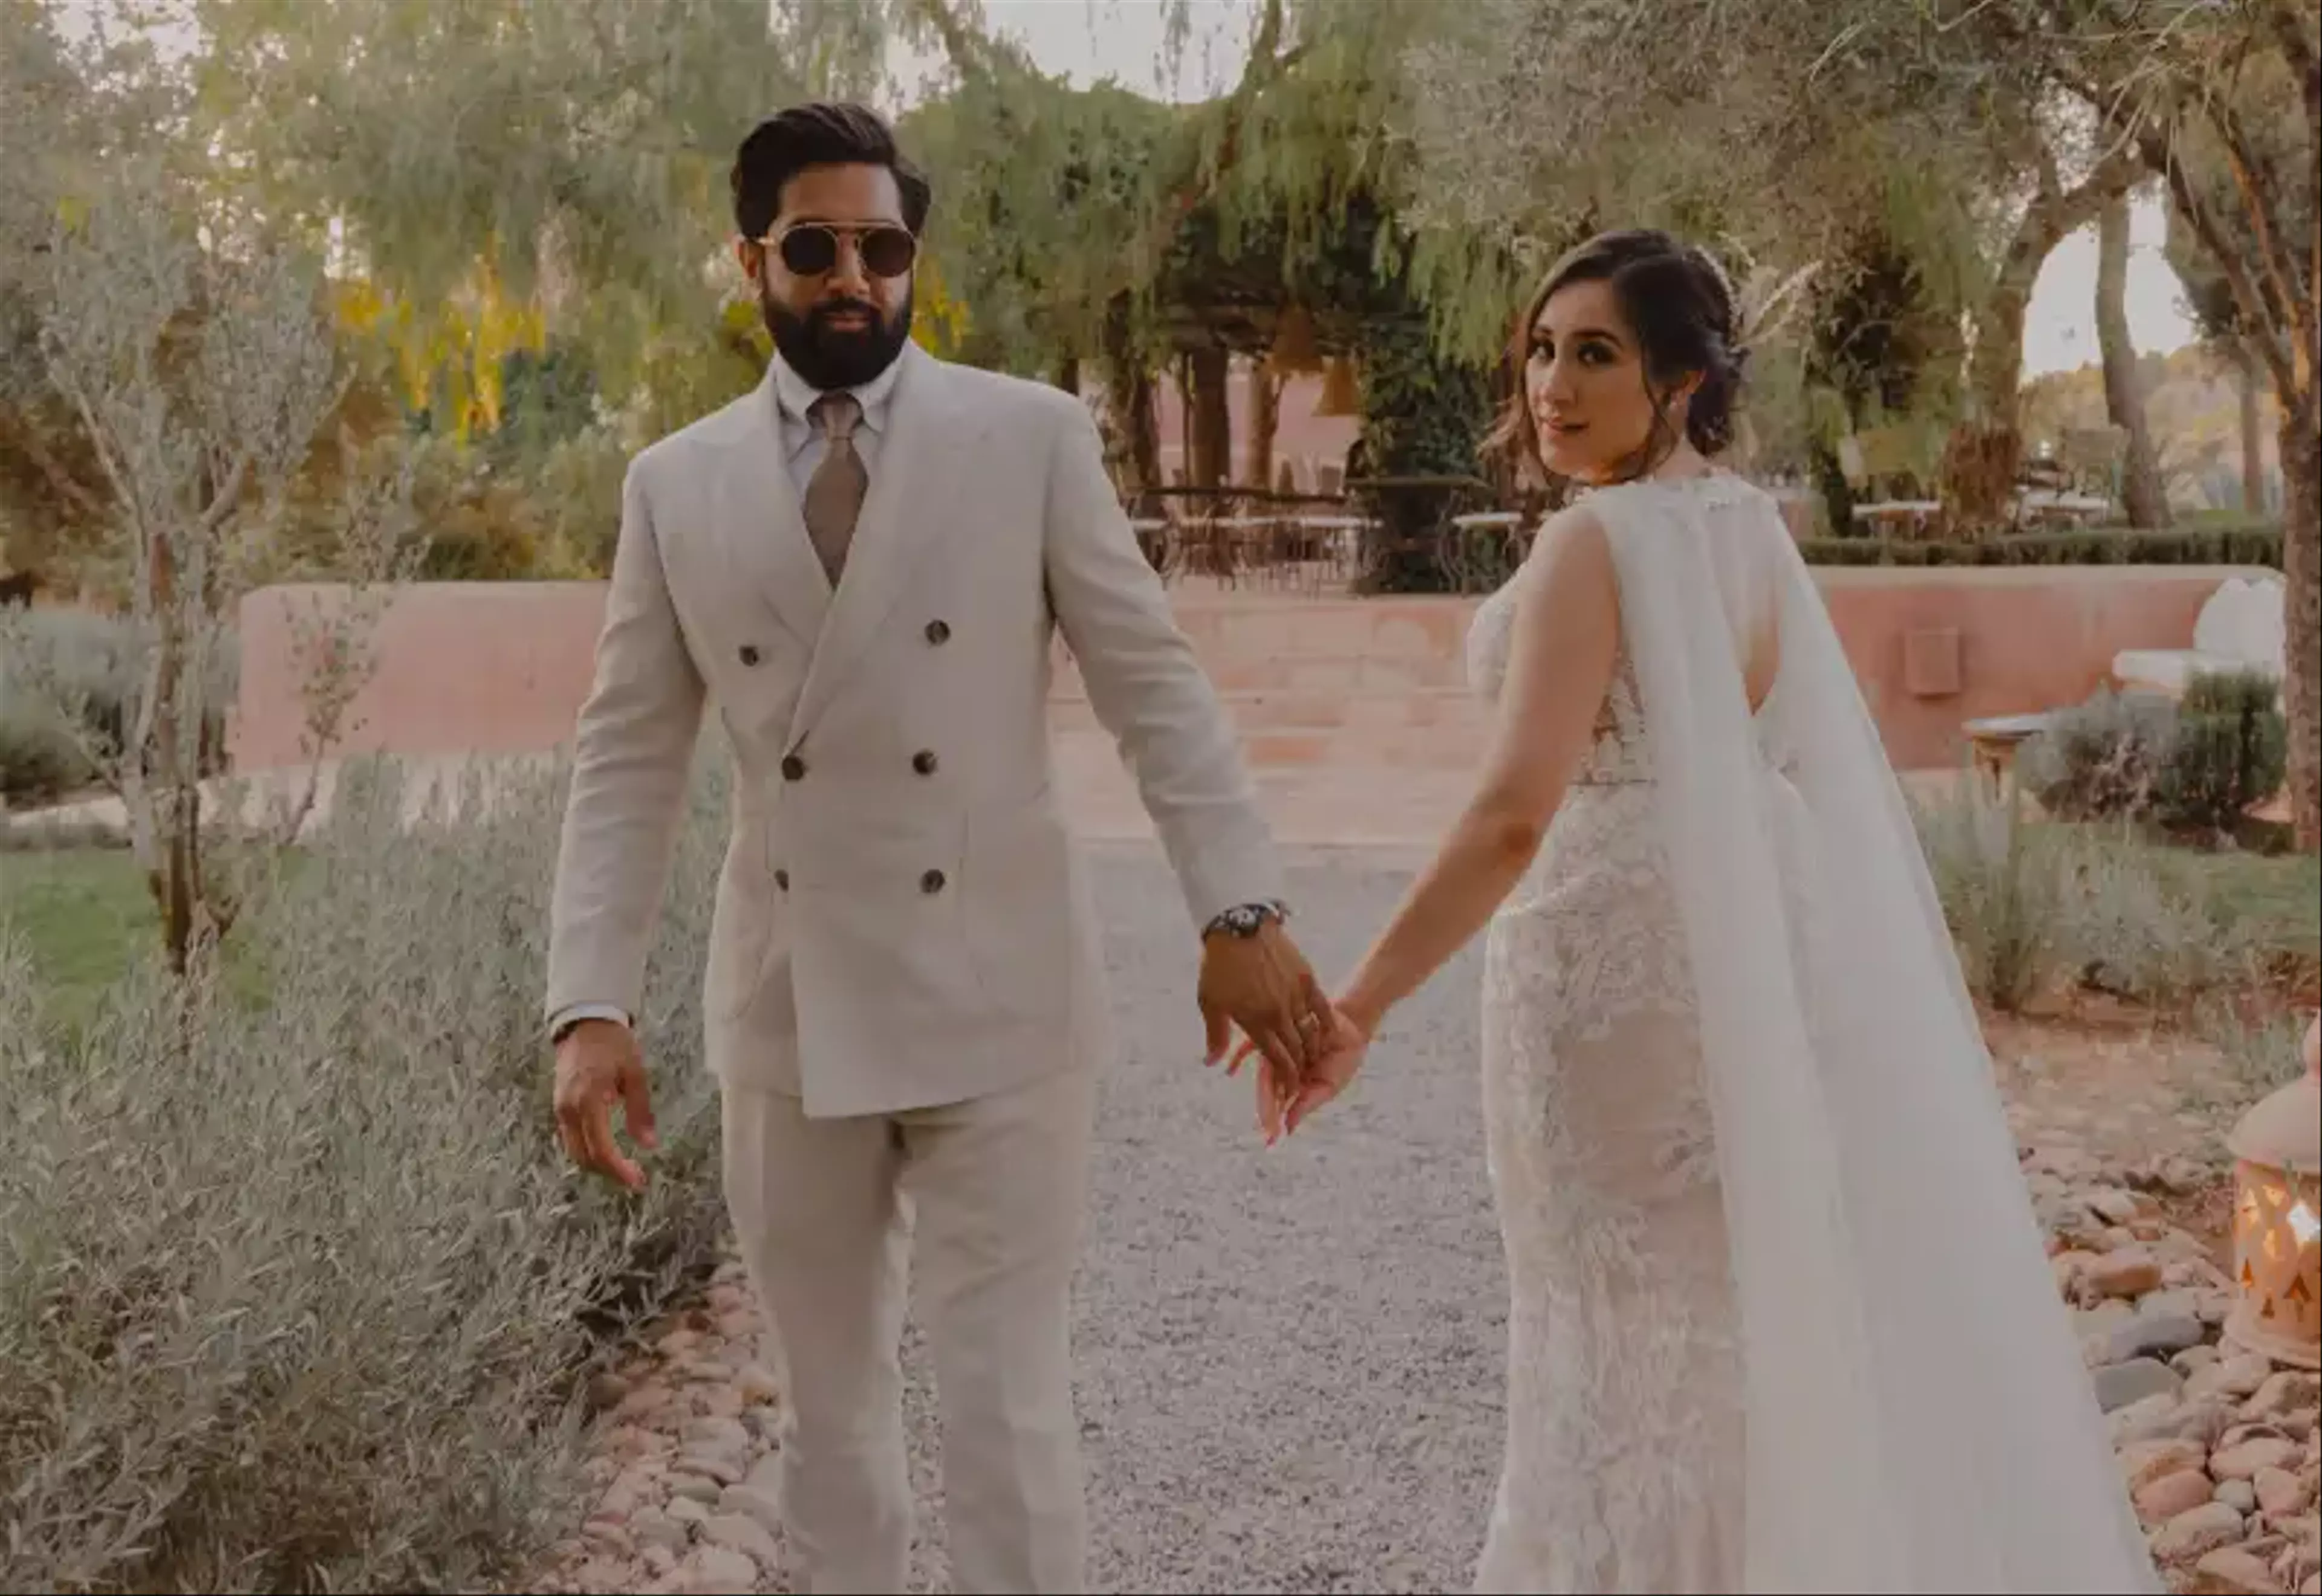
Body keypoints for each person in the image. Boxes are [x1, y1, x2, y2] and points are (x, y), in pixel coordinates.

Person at [1238, 230, 2160, 1594]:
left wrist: (1355, 1005)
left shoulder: (1590, 545)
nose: (1553, 383)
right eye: (1542, 350)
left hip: (1604, 973)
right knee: (1720, 1319)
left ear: (1680, 380)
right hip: (1729, 950)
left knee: (1609, 1335)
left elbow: (1508, 819)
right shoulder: (1748, 530)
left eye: (1595, 354)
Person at [544, 102, 1332, 1595]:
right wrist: (589, 1000)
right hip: (790, 1010)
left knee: (1007, 1414)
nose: (854, 276)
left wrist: (1238, 902)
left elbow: (1152, 683)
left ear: (915, 259)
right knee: (829, 1429)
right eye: (816, 246)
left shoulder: (1027, 436)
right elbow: (627, 756)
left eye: (884, 247)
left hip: (1002, 1000)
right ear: (753, 258)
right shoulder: (674, 483)